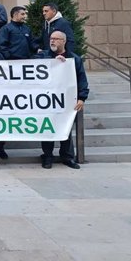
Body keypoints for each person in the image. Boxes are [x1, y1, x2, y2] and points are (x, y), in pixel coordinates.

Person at [39, 31, 88, 170]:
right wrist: (52, 63)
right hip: (46, 100)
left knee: (65, 128)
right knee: (47, 129)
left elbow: (81, 79)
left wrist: (82, 98)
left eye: (56, 39)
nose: (52, 41)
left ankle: (67, 157)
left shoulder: (74, 59)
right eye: (51, 39)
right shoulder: (44, 56)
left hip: (66, 100)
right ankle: (47, 156)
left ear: (64, 41)